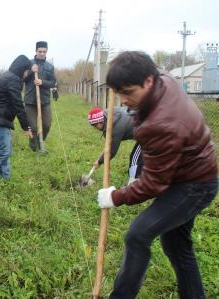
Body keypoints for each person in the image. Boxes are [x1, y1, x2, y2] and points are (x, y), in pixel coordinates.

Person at [97, 51, 217, 298]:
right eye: (119, 92)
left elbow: (153, 183)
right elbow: (135, 66)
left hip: (194, 184)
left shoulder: (161, 124)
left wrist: (116, 196)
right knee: (176, 245)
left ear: (149, 81)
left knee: (138, 234)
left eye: (128, 93)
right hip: (189, 173)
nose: (123, 100)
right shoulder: (160, 77)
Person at [0, 55, 33, 180]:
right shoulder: (13, 80)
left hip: (1, 118)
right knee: (5, 150)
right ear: (22, 68)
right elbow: (18, 104)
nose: (27, 73)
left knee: (5, 149)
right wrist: (26, 127)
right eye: (27, 70)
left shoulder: (10, 76)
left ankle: (5, 177)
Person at [88, 106, 143, 184]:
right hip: (142, 125)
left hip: (148, 131)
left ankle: (132, 184)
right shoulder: (107, 113)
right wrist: (99, 159)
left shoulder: (114, 129)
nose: (94, 128)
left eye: (94, 125)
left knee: (135, 159)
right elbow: (108, 145)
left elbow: (111, 151)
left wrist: (100, 161)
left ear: (100, 122)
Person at [23, 41, 57, 151]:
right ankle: (34, 147)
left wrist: (42, 82)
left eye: (44, 51)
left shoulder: (49, 66)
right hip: (30, 100)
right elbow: (24, 79)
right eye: (40, 51)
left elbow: (52, 83)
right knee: (32, 127)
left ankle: (39, 140)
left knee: (47, 124)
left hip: (44, 100)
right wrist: (32, 72)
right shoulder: (29, 63)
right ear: (36, 51)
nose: (42, 54)